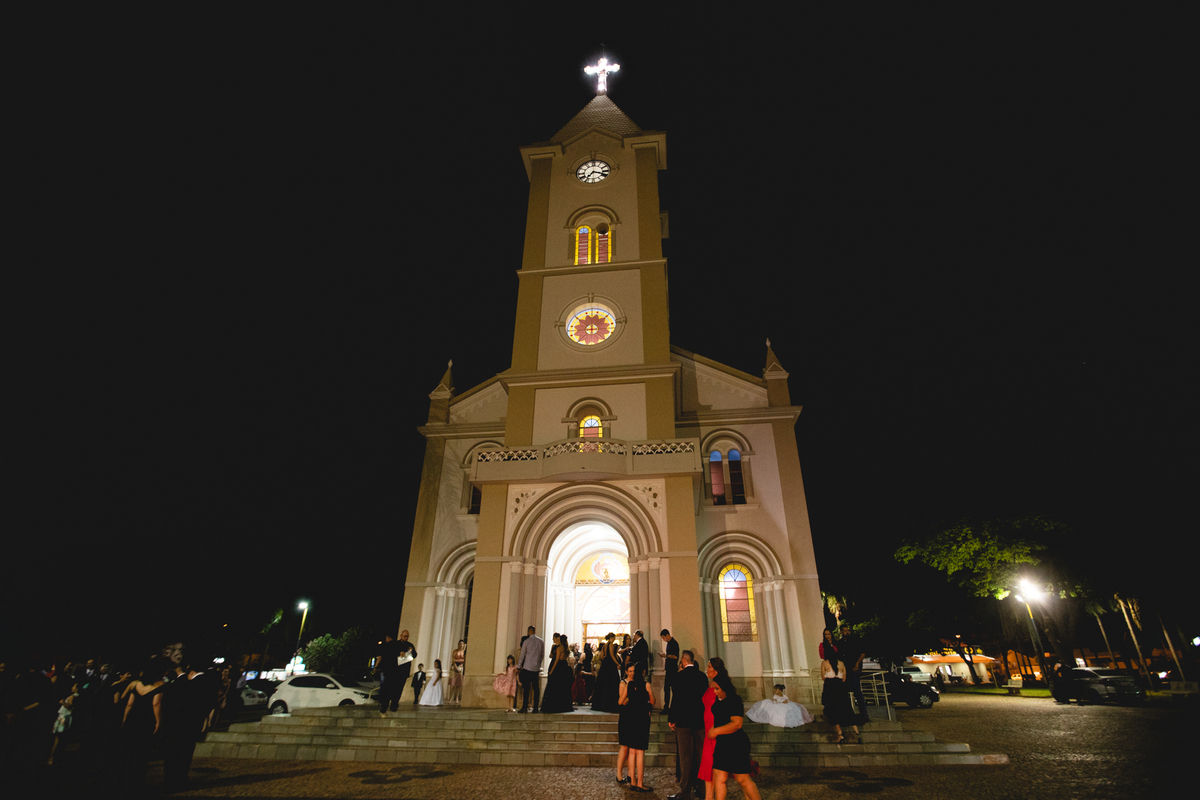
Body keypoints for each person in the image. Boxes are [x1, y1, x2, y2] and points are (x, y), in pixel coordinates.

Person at [706, 664, 762, 800]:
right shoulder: (718, 702)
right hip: (722, 744)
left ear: (724, 687)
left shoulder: (734, 700)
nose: (715, 692)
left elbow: (737, 724)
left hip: (736, 744)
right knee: (719, 777)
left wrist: (716, 731)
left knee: (742, 779)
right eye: (714, 689)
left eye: (717, 689)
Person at [668, 649, 710, 800]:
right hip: (699, 721)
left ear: (684, 661)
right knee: (699, 756)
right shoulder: (702, 677)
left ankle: (685, 792)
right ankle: (701, 790)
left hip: (684, 722)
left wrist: (672, 718)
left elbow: (676, 700)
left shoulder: (679, 677)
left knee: (685, 758)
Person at [617, 663, 655, 792]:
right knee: (640, 752)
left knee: (632, 751)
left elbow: (620, 701)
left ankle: (632, 781)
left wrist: (630, 699)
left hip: (631, 719)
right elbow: (653, 701)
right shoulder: (646, 685)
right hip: (642, 719)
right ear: (643, 672)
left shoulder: (629, 685)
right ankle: (640, 783)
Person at [821, 630, 860, 744]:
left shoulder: (825, 663)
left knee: (833, 710)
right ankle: (857, 733)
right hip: (841, 687)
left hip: (830, 687)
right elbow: (844, 678)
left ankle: (840, 734)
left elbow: (823, 677)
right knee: (847, 708)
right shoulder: (842, 664)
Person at [376, 629, 418, 716]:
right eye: (405, 636)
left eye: (407, 636)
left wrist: (412, 651)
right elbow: (389, 654)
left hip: (403, 672)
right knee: (390, 688)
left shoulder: (409, 645)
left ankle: (394, 704)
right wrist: (399, 653)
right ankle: (385, 705)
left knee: (399, 689)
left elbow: (414, 655)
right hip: (393, 671)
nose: (406, 638)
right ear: (401, 636)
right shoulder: (394, 644)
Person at [838, 623, 867, 728]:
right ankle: (849, 715)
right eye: (844, 630)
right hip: (846, 669)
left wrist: (857, 663)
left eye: (847, 630)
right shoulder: (841, 643)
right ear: (841, 631)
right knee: (845, 691)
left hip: (854, 668)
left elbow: (863, 652)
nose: (846, 632)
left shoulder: (855, 640)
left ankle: (864, 714)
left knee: (856, 689)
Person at [746, 684, 813, 728]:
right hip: (777, 705)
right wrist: (781, 702)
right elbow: (775, 701)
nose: (775, 691)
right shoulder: (775, 696)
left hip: (785, 705)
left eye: (777, 689)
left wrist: (784, 702)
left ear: (780, 691)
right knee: (775, 709)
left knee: (793, 709)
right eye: (775, 689)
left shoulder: (784, 696)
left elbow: (786, 701)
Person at [542, 634, 576, 713]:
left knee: (555, 687)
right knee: (563, 688)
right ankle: (564, 705)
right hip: (564, 667)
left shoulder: (559, 648)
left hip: (558, 668)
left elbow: (556, 660)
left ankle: (554, 705)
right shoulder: (566, 649)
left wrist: (551, 670)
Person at [48, 682, 79, 765]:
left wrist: (63, 702)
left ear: (77, 688)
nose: (72, 687)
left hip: (63, 718)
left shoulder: (72, 697)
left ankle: (51, 757)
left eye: (74, 686)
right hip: (67, 718)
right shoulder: (77, 697)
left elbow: (69, 706)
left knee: (57, 738)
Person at [517, 625, 544, 713]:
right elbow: (542, 655)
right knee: (536, 689)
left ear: (528, 632)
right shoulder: (540, 642)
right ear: (534, 631)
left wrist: (519, 665)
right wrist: (538, 663)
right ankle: (535, 708)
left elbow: (522, 654)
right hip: (536, 668)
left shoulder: (526, 641)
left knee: (526, 688)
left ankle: (525, 707)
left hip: (527, 667)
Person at [592, 632, 622, 712]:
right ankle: (611, 703)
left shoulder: (604, 645)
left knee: (603, 684)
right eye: (614, 638)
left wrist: (605, 661)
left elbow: (602, 657)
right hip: (610, 665)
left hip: (605, 665)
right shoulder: (611, 644)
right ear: (611, 638)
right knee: (612, 684)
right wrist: (617, 663)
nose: (614, 639)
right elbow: (612, 655)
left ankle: (601, 703)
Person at [661, 629, 680, 712]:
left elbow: (675, 656)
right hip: (669, 669)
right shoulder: (669, 643)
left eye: (663, 637)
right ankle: (667, 706)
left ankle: (672, 706)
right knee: (667, 688)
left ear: (667, 635)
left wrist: (666, 656)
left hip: (672, 669)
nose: (663, 639)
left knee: (673, 689)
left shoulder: (674, 643)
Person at [448, 640, 466, 706]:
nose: (461, 645)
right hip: (454, 667)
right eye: (460, 644)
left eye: (462, 644)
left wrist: (458, 661)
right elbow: (453, 660)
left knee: (458, 684)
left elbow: (464, 660)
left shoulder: (464, 652)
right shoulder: (455, 651)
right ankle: (450, 697)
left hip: (460, 667)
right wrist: (455, 665)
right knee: (452, 684)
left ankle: (457, 697)